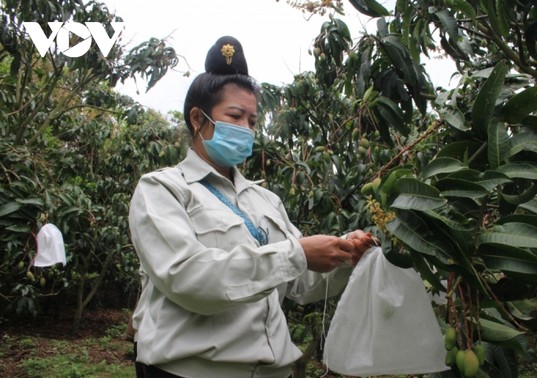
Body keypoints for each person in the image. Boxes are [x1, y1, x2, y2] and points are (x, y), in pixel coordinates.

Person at [128, 35, 374, 378]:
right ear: (198, 119)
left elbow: (299, 285)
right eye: (235, 116)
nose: (246, 129)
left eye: (253, 121)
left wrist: (347, 256)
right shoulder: (162, 190)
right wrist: (297, 254)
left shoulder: (265, 200)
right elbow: (187, 279)